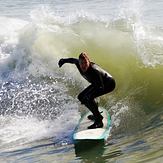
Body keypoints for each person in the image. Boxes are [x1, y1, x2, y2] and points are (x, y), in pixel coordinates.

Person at [58, 52, 116, 129]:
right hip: (96, 83)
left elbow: (100, 87)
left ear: (89, 62)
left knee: (88, 98)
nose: (83, 65)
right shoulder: (78, 63)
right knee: (81, 97)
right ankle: (97, 115)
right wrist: (63, 60)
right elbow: (72, 60)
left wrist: (90, 96)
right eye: (81, 63)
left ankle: (98, 121)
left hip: (108, 84)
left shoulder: (95, 71)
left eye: (85, 63)